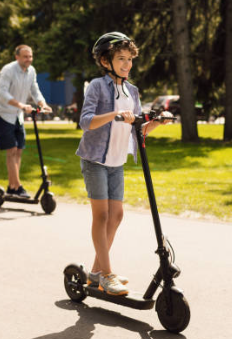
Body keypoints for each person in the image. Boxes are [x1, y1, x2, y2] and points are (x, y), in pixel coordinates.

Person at [76, 32, 173, 296]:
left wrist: (157, 122)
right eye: (121, 59)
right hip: (95, 159)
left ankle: (95, 273)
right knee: (102, 215)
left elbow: (137, 129)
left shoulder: (132, 91)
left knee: (116, 216)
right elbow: (86, 121)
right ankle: (107, 275)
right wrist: (115, 114)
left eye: (130, 59)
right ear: (106, 61)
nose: (127, 64)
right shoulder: (96, 86)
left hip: (117, 162)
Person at [0, 44, 52, 198]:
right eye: (25, 56)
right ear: (17, 57)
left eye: (30, 56)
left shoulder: (31, 71)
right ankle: (17, 187)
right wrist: (21, 105)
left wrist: (43, 104)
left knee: (19, 150)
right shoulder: (8, 70)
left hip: (18, 114)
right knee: (11, 150)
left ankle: (12, 187)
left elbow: (34, 89)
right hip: (4, 113)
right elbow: (2, 93)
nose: (29, 59)